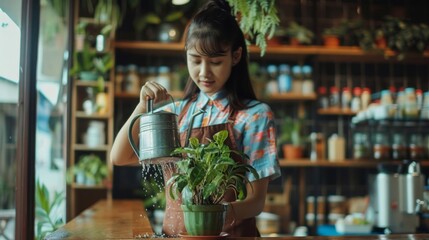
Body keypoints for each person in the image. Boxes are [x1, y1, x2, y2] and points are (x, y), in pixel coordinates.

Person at [110, 0, 281, 237]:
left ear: (236, 56)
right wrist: (141, 107)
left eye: (215, 62)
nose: (204, 72)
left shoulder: (254, 116)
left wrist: (210, 214)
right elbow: (120, 156)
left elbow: (255, 202)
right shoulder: (177, 113)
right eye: (196, 60)